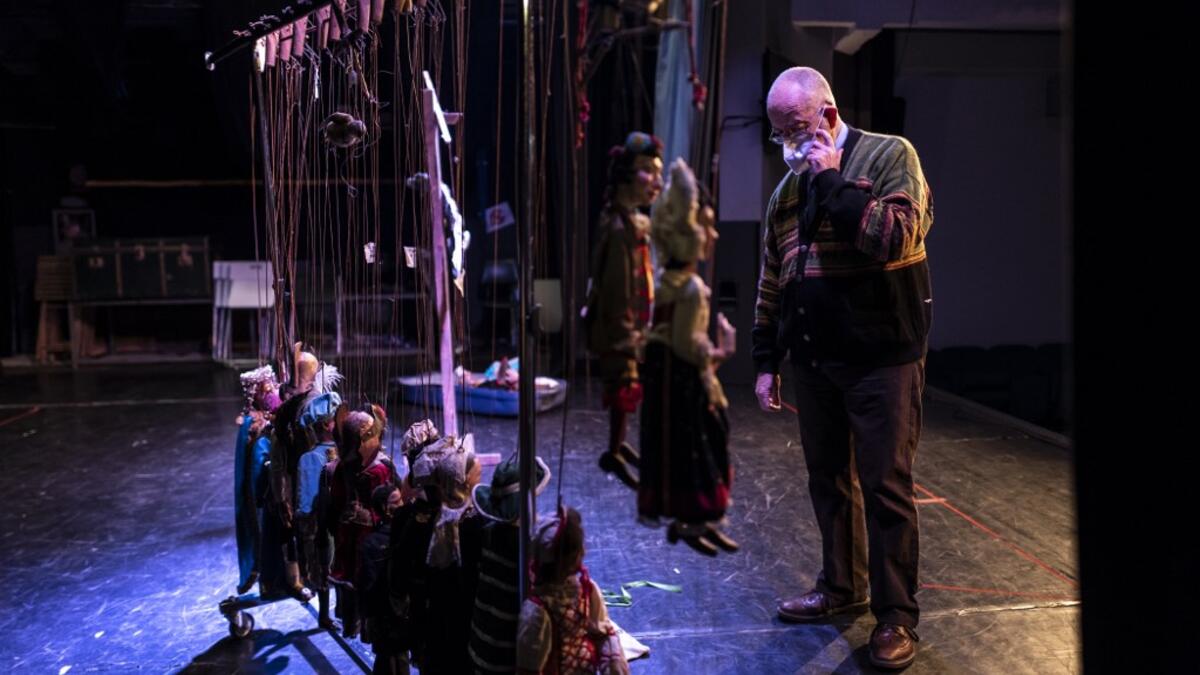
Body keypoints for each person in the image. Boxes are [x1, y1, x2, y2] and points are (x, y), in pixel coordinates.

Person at [752, 66, 934, 670]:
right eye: (778, 132)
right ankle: (840, 587)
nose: (788, 143)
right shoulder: (786, 192)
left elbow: (893, 237)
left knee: (886, 487)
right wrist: (764, 360)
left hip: (881, 358)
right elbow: (774, 279)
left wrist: (830, 178)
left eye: (797, 128)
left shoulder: (888, 156)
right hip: (815, 361)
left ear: (828, 116)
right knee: (828, 482)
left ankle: (895, 618)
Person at [638, 158, 738, 557]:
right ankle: (695, 519)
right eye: (707, 225)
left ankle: (695, 521)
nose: (713, 234)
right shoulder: (691, 288)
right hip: (684, 383)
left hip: (664, 379)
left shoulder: (665, 278)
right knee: (702, 446)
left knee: (677, 452)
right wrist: (722, 349)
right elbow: (686, 344)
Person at [584, 131, 665, 491]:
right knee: (624, 386)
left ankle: (617, 447)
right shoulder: (618, 229)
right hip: (619, 329)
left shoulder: (632, 224)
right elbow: (616, 291)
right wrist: (628, 335)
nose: (657, 180)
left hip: (633, 325)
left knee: (630, 389)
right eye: (648, 170)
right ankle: (614, 452)